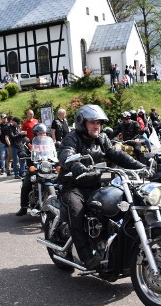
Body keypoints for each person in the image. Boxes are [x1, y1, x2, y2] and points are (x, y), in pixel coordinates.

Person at [57, 105, 147, 269]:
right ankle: (87, 256)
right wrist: (75, 164)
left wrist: (141, 167)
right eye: (92, 122)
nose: (96, 125)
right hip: (74, 185)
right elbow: (65, 153)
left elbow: (116, 154)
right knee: (76, 210)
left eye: (98, 122)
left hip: (98, 184)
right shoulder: (72, 138)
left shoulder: (102, 138)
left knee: (123, 202)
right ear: (82, 123)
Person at [16, 123, 52, 216]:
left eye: (44, 133)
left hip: (47, 167)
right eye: (40, 133)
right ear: (36, 134)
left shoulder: (49, 143)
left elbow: (55, 150)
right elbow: (22, 149)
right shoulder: (29, 143)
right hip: (34, 168)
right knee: (26, 184)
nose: (42, 135)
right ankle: (23, 207)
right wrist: (22, 152)